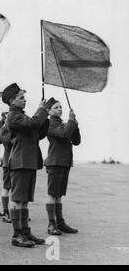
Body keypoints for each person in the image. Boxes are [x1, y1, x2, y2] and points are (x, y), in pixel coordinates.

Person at [2, 83, 49, 248]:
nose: (24, 100)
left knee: (25, 200)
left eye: (24, 97)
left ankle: (25, 231)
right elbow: (32, 124)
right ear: (11, 100)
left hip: (28, 162)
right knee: (17, 199)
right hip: (20, 162)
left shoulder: (23, 116)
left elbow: (39, 132)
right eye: (21, 98)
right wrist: (42, 110)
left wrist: (45, 116)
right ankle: (17, 235)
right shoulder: (13, 116)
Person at [44, 98, 81, 235]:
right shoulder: (50, 124)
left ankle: (60, 222)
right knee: (52, 194)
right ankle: (51, 224)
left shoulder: (64, 124)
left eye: (60, 107)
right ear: (49, 111)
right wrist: (71, 121)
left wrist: (75, 125)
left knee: (59, 194)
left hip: (64, 162)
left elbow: (76, 141)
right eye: (56, 107)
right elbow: (64, 134)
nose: (60, 109)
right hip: (55, 162)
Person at [0, 112, 12, 223]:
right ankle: (5, 211)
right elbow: (7, 142)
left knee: (16, 188)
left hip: (16, 161)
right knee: (6, 187)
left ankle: (16, 211)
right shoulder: (3, 130)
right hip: (8, 162)